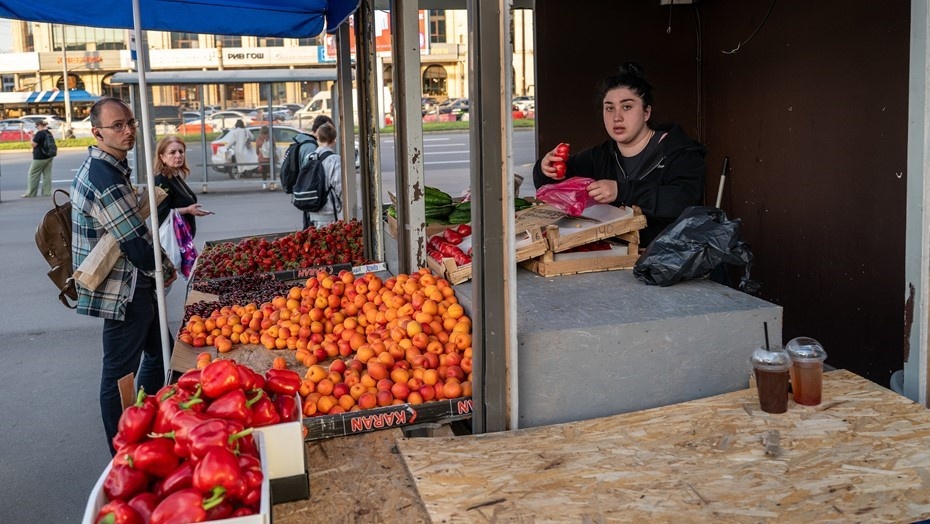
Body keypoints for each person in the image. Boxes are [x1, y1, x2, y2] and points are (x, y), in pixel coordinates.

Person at [70, 97, 178, 455]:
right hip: (123, 293)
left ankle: (144, 422)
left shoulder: (113, 168)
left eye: (130, 123)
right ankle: (123, 450)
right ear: (97, 132)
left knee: (162, 356)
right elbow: (135, 242)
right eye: (117, 125)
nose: (128, 130)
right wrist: (166, 270)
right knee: (119, 372)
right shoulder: (104, 177)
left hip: (135, 285)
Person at [533, 62, 707, 246]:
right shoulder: (600, 156)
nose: (617, 117)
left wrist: (622, 191)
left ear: (646, 112)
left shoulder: (679, 152)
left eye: (627, 107)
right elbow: (551, 189)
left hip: (669, 256)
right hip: (615, 256)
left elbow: (683, 201)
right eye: (609, 108)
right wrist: (546, 169)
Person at [153, 135, 210, 239]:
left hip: (183, 240)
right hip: (172, 241)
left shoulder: (175, 176)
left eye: (181, 151)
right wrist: (188, 210)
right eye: (172, 152)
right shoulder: (161, 180)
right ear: (162, 157)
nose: (178, 155)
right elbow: (161, 212)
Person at [302, 122, 343, 229]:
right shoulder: (335, 159)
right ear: (334, 139)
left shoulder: (309, 157)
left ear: (318, 138)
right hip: (328, 212)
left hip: (311, 210)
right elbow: (339, 186)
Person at [22, 120, 55, 198]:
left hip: (39, 157)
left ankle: (31, 193)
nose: (36, 128)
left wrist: (31, 137)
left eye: (36, 126)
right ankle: (47, 192)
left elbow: (33, 144)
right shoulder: (48, 133)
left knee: (32, 174)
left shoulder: (40, 133)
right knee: (47, 175)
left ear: (40, 125)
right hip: (49, 156)